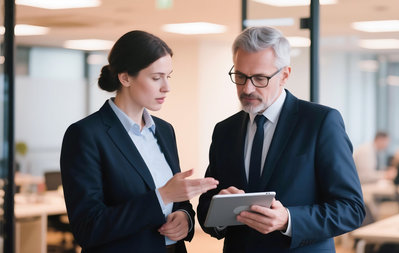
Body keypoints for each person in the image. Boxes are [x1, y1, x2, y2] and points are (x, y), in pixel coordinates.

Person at [197, 26, 365, 253]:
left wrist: (288, 220)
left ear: (284, 75)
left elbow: (351, 209)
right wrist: (220, 209)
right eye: (240, 76)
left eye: (259, 78)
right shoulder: (225, 130)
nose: (247, 88)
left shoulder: (320, 122)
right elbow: (206, 207)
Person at [60, 30, 218, 253]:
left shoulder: (164, 130)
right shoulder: (86, 134)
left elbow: (177, 203)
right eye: (156, 78)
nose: (167, 87)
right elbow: (89, 227)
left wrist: (185, 218)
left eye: (168, 76)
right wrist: (162, 196)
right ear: (125, 78)